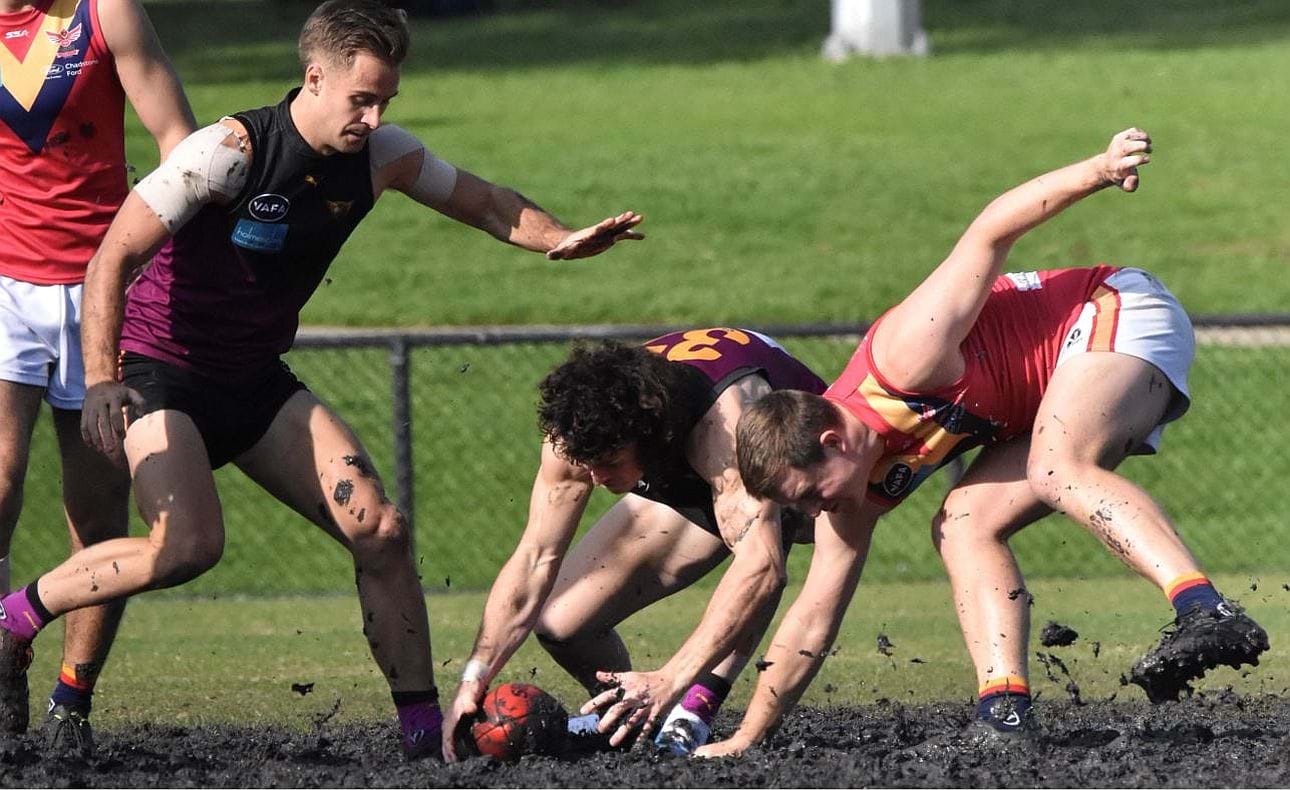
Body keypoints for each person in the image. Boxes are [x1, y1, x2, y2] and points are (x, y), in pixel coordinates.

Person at [0, 0, 641, 759]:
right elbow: (111, 260)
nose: (374, 118)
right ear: (314, 78)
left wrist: (558, 238)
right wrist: (104, 382)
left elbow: (487, 201)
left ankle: (421, 739)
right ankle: (12, 622)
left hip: (255, 381)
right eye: (361, 100)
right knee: (187, 548)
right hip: (162, 374)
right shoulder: (228, 151)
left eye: (386, 102)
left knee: (382, 529)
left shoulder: (382, 156)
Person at [698, 128, 1269, 756]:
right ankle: (1005, 714)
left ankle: (1205, 611)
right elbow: (811, 617)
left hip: (1114, 305)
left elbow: (990, 231)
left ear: (834, 440)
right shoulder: (851, 495)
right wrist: (747, 739)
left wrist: (1099, 169)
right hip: (1059, 385)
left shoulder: (903, 359)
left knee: (1057, 465)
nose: (812, 514)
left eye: (809, 495)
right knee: (962, 521)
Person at [442, 328, 825, 759]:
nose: (596, 479)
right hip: (684, 461)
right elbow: (535, 558)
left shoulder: (723, 431)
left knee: (764, 536)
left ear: (651, 435)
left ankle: (695, 708)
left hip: (806, 468)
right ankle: (630, 716)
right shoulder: (574, 434)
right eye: (587, 464)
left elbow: (762, 568)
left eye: (609, 464)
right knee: (562, 624)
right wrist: (474, 677)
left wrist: (672, 678)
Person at [0, 0, 195, 750]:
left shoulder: (104, 10)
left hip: (105, 289)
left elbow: (179, 143)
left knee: (99, 517)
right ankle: (2, 651)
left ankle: (70, 703)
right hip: (8, 288)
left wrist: (169, 259)